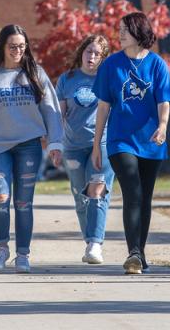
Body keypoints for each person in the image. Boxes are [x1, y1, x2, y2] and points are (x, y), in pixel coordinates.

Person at [0, 24, 63, 273]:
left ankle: (22, 254)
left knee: (23, 202)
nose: (18, 50)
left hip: (28, 145)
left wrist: (55, 143)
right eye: (13, 46)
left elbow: (51, 110)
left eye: (22, 46)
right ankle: (1, 247)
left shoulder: (35, 74)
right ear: (2, 47)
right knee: (0, 196)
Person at [92, 12, 170, 274]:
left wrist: (162, 126)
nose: (120, 34)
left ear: (139, 32)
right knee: (133, 192)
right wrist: (97, 144)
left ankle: (140, 251)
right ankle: (134, 253)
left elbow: (164, 101)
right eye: (119, 29)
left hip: (151, 141)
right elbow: (103, 107)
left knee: (145, 198)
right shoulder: (111, 65)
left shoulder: (157, 65)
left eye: (125, 29)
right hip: (120, 141)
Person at [57, 34, 113, 265]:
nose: (91, 56)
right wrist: (54, 143)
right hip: (73, 147)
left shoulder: (107, 79)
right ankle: (89, 238)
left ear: (103, 58)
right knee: (81, 196)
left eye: (97, 54)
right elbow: (58, 114)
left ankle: (95, 244)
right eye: (88, 51)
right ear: (81, 52)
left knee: (96, 192)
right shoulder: (66, 79)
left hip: (101, 144)